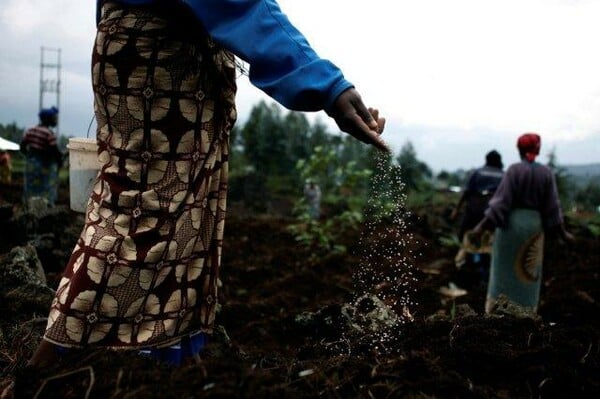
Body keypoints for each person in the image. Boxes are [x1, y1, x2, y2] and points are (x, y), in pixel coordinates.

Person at [13, 0, 388, 381]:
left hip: (147, 46)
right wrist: (324, 83)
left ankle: (161, 366)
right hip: (163, 55)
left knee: (183, 217)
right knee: (147, 215)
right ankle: (49, 370)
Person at [473, 133, 574, 314]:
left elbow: (500, 204)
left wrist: (481, 227)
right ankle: (526, 313)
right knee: (528, 271)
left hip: (510, 228)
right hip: (534, 229)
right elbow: (553, 208)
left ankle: (498, 310)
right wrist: (564, 234)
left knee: (503, 272)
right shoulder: (546, 173)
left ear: (518, 149)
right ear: (538, 149)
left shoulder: (514, 170)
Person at [451, 150, 504, 283]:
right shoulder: (504, 175)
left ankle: (468, 265)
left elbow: (467, 192)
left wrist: (457, 209)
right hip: (493, 213)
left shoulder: (478, 172)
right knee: (489, 241)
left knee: (468, 236)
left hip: (474, 210)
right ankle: (486, 271)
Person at [20, 106, 63, 206]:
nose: (55, 120)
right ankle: (46, 208)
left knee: (30, 186)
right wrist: (59, 162)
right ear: (48, 119)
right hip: (45, 166)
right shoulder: (49, 134)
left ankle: (27, 206)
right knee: (46, 187)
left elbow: (22, 146)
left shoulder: (30, 130)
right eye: (54, 118)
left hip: (31, 163)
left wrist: (29, 156)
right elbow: (55, 152)